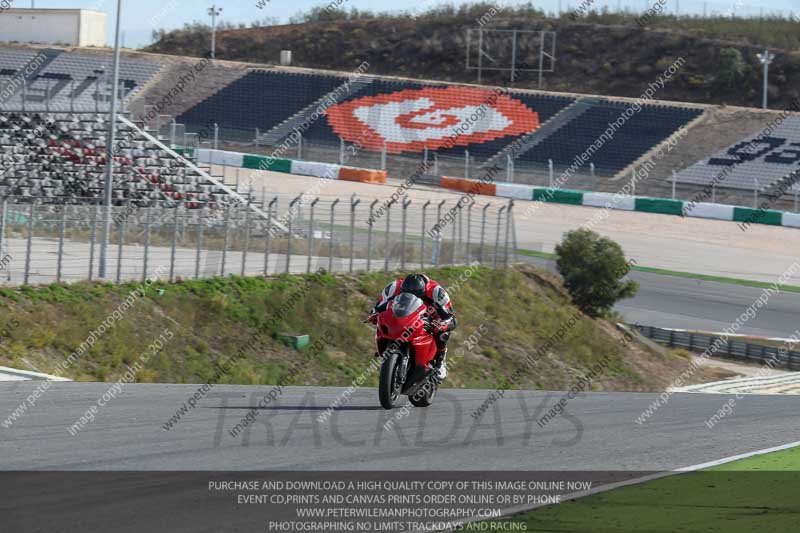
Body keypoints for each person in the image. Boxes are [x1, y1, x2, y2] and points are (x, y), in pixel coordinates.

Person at [370, 274, 457, 381]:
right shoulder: (394, 288)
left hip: (430, 316)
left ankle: (440, 361)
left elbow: (450, 317)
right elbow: (380, 306)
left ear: (423, 292)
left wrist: (442, 323)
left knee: (443, 334)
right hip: (407, 316)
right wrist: (374, 314)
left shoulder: (436, 292)